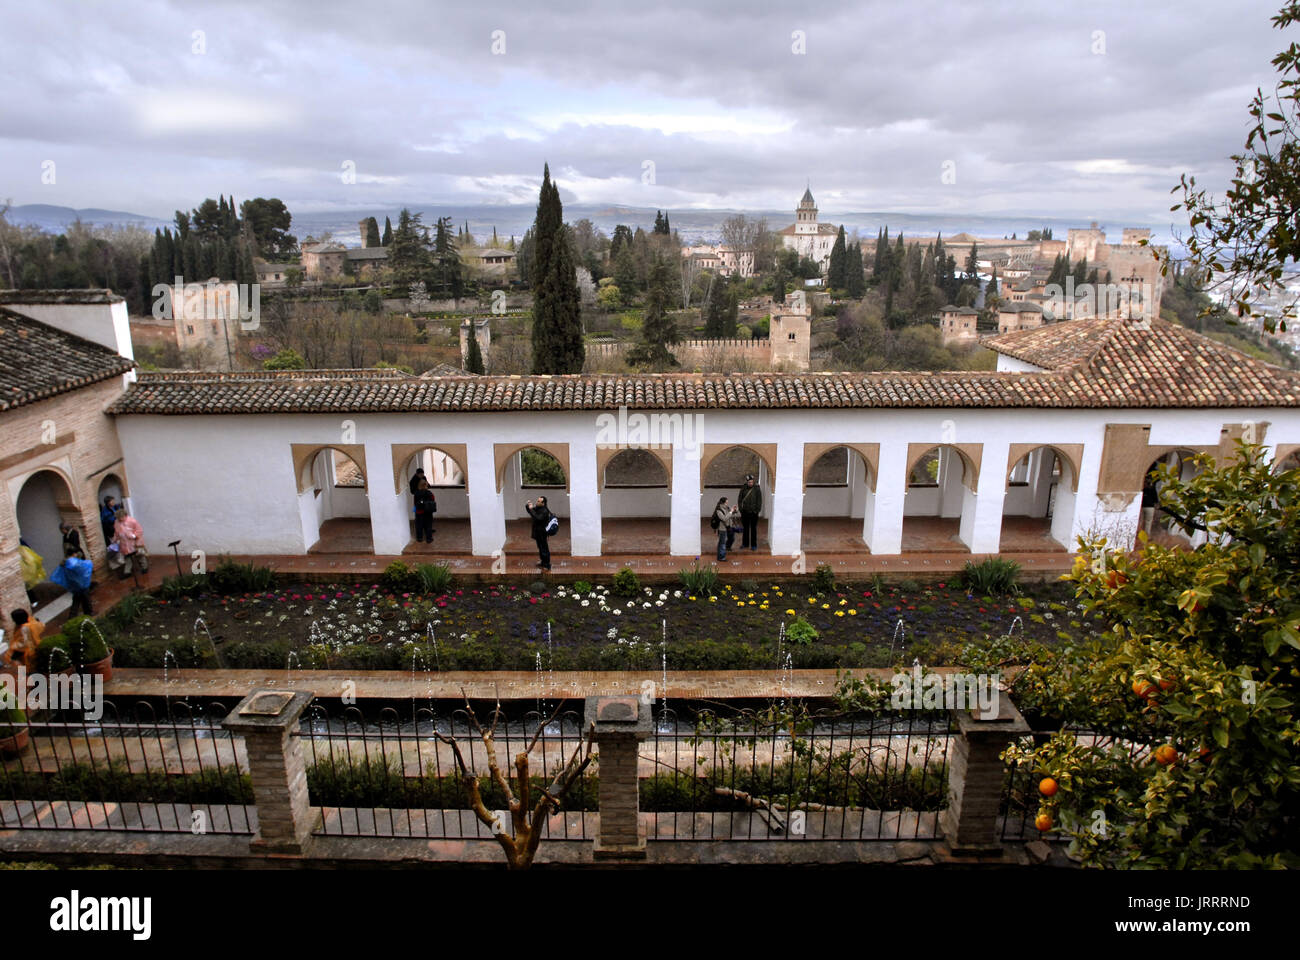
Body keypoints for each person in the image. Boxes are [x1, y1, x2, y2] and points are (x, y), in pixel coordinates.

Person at [50, 545, 94, 616]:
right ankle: (89, 612)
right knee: (85, 598)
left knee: (77, 599)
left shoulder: (65, 562)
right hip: (80, 583)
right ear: (73, 553)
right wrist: (89, 563)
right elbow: (81, 567)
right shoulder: (72, 562)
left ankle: (72, 615)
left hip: (73, 584)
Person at [112, 506, 147, 578]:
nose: (119, 519)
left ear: (125, 515)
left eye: (120, 518)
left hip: (134, 542)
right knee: (127, 557)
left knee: (140, 555)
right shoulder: (117, 522)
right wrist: (115, 539)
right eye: (118, 518)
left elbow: (139, 530)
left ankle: (144, 567)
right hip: (124, 543)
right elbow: (116, 532)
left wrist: (134, 536)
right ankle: (127, 572)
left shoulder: (132, 521)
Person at [526, 496, 555, 571]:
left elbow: (537, 518)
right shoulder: (538, 508)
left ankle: (547, 565)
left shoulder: (545, 511)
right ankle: (543, 562)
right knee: (540, 548)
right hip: (538, 532)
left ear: (543, 503)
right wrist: (528, 505)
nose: (537, 502)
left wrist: (531, 509)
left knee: (544, 549)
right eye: (537, 501)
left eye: (539, 501)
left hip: (542, 533)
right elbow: (531, 512)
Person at [737, 474, 763, 551]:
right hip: (745, 512)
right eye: (749, 482)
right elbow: (740, 500)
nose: (750, 483)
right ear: (747, 482)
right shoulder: (743, 488)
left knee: (753, 529)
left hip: (754, 513)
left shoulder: (757, 489)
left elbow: (759, 500)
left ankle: (754, 545)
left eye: (751, 482)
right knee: (745, 529)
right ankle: (745, 544)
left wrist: (757, 511)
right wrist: (741, 510)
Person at [413, 479, 436, 543]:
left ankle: (419, 538)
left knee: (419, 525)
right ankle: (429, 539)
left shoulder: (416, 493)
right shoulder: (429, 493)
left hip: (419, 512)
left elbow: (415, 503)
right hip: (427, 512)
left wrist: (415, 511)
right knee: (428, 525)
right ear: (426, 485)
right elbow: (433, 500)